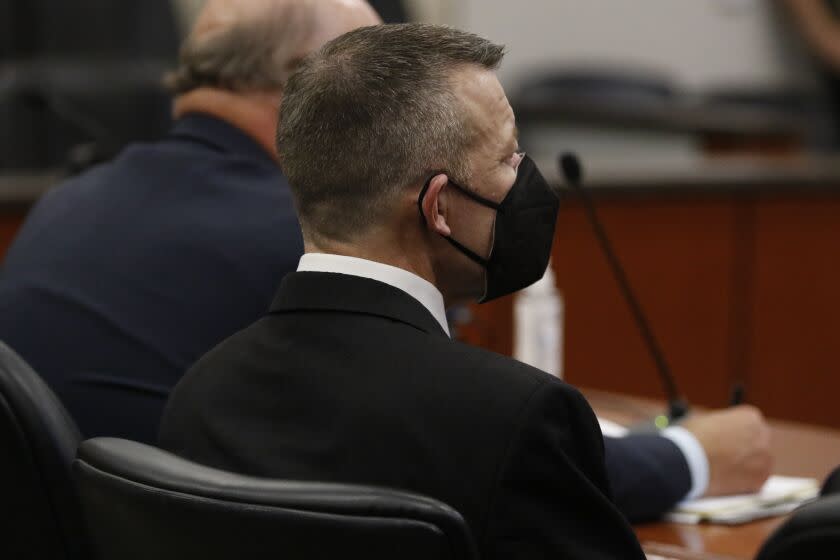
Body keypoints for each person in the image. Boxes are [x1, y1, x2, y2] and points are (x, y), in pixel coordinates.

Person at [0, 0, 769, 524]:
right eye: (375, 64)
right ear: (321, 92)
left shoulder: (67, 203)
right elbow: (462, 432)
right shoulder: (307, 237)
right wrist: (688, 456)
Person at [157, 22, 643, 558]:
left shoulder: (200, 397)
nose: (526, 178)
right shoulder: (516, 417)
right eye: (507, 159)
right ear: (439, 208)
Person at [0, 0, 382, 444]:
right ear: (307, 81)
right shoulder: (313, 239)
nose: (391, 114)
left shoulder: (61, 203)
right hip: (169, 510)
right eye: (375, 83)